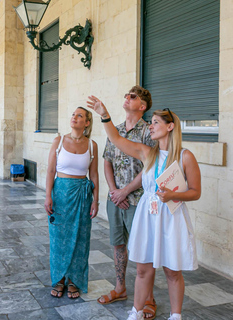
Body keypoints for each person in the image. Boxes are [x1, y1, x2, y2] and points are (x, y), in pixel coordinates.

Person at [86, 96, 201, 320]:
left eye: (156, 122)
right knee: (142, 269)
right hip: (148, 215)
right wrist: (104, 114)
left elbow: (195, 192)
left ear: (170, 127)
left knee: (171, 270)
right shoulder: (148, 153)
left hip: (171, 217)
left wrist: (173, 194)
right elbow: (116, 139)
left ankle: (175, 316)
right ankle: (136, 312)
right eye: (151, 122)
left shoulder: (185, 157)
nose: (151, 125)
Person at [97, 86, 157, 319]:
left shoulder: (148, 131)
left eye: (132, 97)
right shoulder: (116, 130)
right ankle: (120, 288)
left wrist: (126, 192)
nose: (126, 98)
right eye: (126, 95)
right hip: (116, 200)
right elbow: (107, 161)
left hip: (138, 201)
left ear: (142, 106)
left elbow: (150, 168)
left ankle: (149, 298)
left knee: (144, 251)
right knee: (117, 244)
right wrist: (114, 191)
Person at [44, 107, 99, 299]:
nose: (74, 117)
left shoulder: (92, 145)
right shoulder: (59, 141)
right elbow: (51, 171)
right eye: (73, 114)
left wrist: (96, 200)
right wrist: (48, 196)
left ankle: (75, 280)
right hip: (60, 193)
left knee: (80, 238)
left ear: (87, 122)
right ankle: (59, 279)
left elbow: (93, 174)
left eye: (80, 116)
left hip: (82, 196)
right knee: (59, 237)